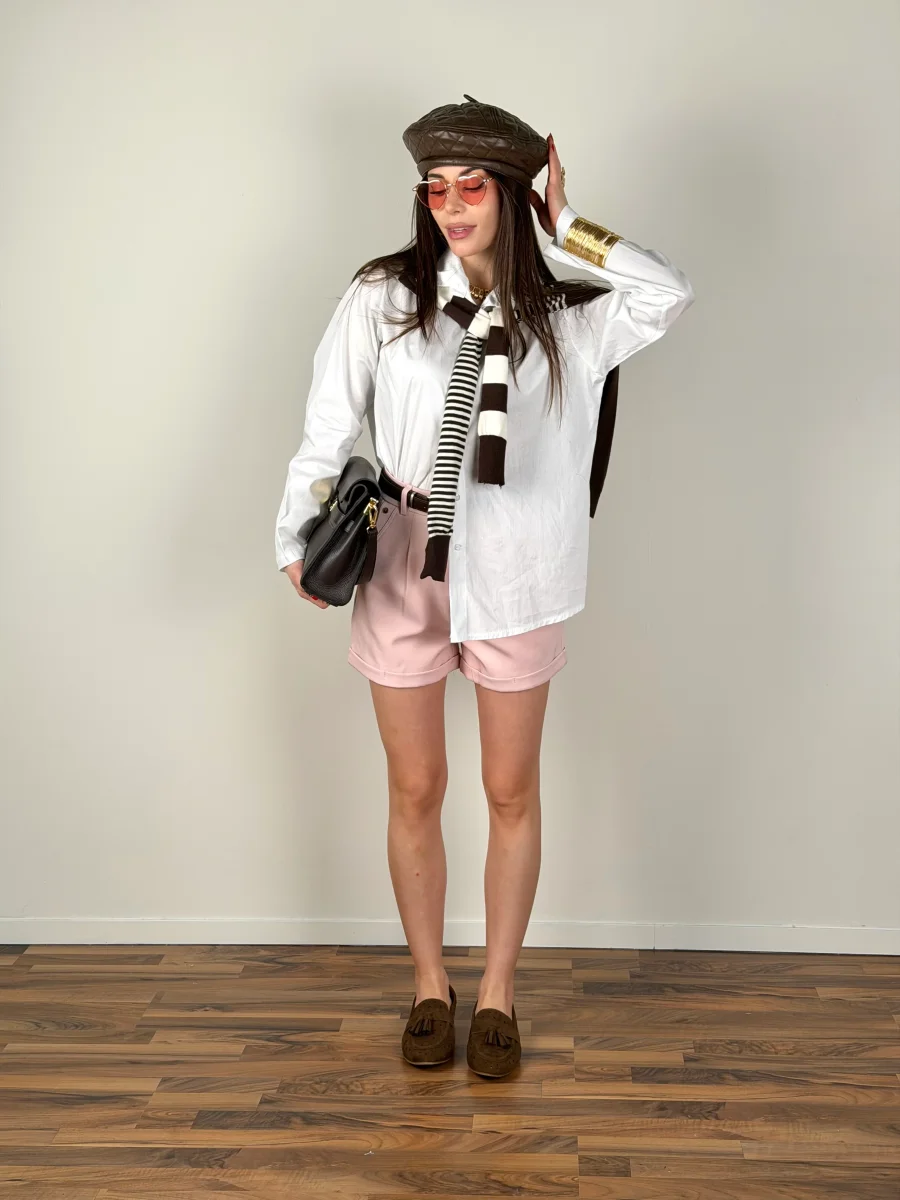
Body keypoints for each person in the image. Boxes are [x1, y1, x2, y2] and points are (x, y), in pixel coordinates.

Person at [274, 95, 694, 1077]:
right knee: (414, 785)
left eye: (473, 186)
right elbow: (329, 419)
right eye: (436, 188)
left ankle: (499, 992)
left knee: (510, 789)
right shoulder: (383, 298)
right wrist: (297, 532)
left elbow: (667, 293)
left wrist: (566, 225)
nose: (452, 205)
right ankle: (431, 985)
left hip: (518, 564)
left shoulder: (571, 322)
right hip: (401, 553)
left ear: (510, 193)